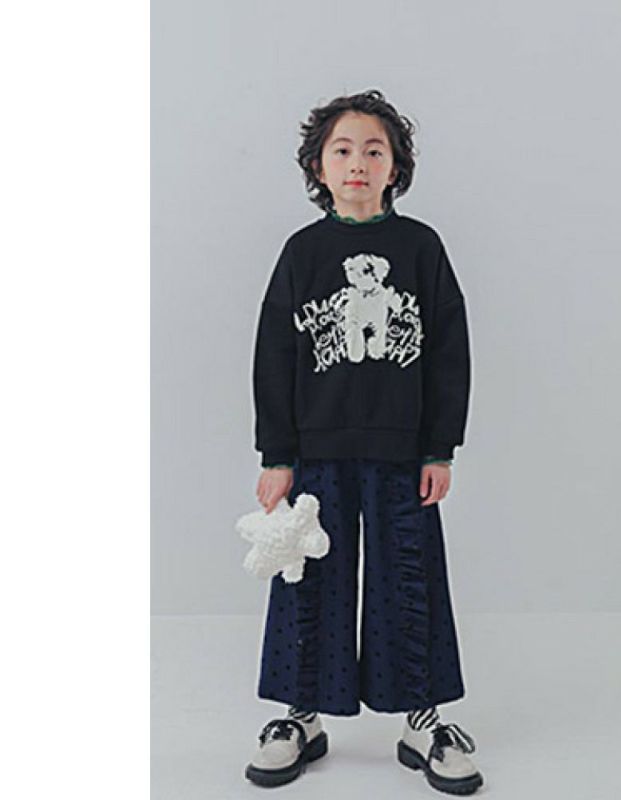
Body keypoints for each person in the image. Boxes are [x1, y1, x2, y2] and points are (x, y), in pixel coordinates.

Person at [244, 89, 483, 795]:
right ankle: (301, 716)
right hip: (315, 454)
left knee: (409, 579)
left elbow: (449, 354)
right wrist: (277, 456)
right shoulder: (303, 252)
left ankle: (422, 719)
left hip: (403, 454)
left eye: (374, 151)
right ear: (318, 167)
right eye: (343, 150)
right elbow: (273, 358)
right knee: (308, 577)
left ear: (395, 167)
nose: (358, 163)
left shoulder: (421, 248)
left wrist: (440, 448)